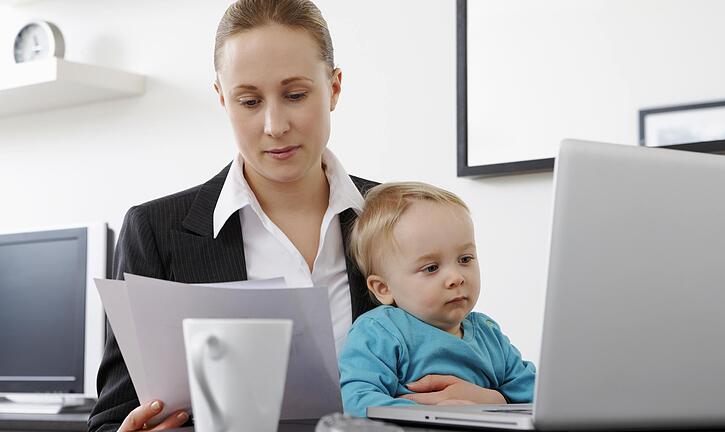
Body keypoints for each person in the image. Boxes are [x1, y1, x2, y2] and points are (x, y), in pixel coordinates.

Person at [89, 1, 506, 431]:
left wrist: (493, 400)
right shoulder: (156, 231)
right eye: (249, 101)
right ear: (221, 99)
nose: (274, 125)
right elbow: (111, 419)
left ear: (335, 88)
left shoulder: (401, 219)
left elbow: (469, 347)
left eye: (295, 95)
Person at [339, 182, 536, 417]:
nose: (456, 278)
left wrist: (499, 402)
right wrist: (431, 415)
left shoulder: (488, 334)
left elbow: (540, 397)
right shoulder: (380, 331)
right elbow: (356, 400)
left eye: (465, 259)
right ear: (383, 288)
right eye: (431, 268)